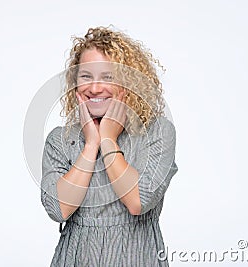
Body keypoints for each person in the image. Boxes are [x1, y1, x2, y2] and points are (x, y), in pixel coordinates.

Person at [40, 26, 179, 266]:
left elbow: (138, 202)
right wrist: (91, 143)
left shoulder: (157, 133)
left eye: (108, 77)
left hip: (138, 257)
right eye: (86, 76)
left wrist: (108, 140)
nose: (94, 88)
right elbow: (58, 209)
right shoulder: (59, 140)